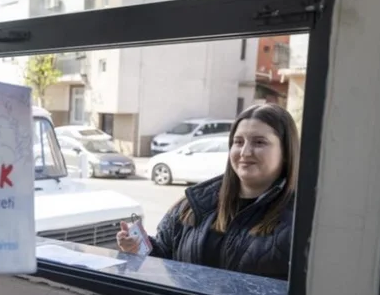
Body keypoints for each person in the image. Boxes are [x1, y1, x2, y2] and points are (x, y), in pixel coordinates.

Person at [116, 103, 300, 280]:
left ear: (285, 152)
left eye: (259, 142)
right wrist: (137, 248)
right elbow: (163, 257)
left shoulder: (303, 221)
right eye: (238, 142)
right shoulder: (194, 204)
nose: (245, 152)